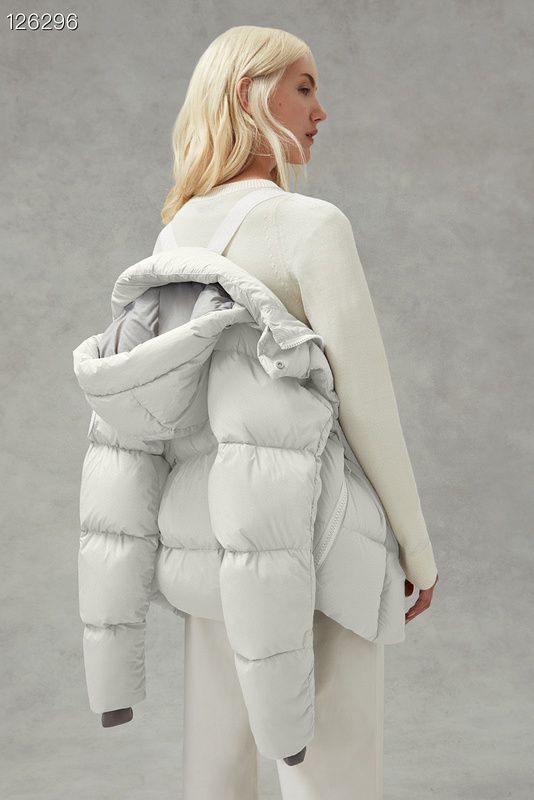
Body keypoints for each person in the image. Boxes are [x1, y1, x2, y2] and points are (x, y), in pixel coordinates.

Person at [102, 25, 438, 800]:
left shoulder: (175, 233)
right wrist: (417, 550)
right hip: (318, 537)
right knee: (329, 773)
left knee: (216, 769)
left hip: (214, 536)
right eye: (305, 87)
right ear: (250, 95)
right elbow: (367, 401)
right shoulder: (311, 225)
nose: (322, 111)